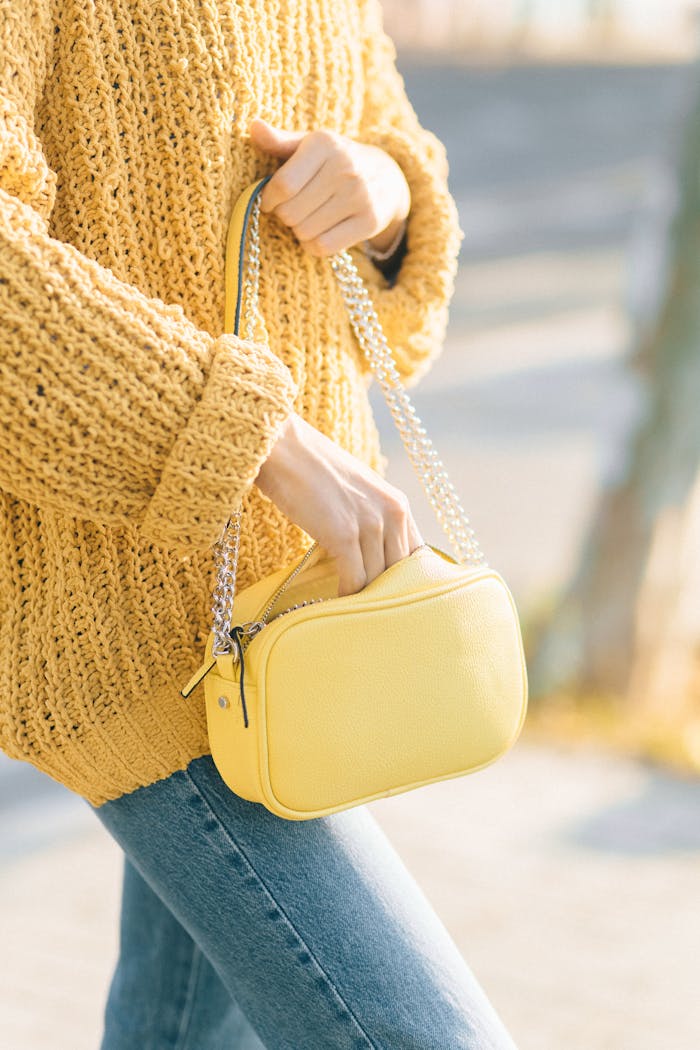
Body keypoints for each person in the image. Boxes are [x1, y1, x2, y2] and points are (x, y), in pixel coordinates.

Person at [0, 1, 519, 1046]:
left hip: (289, 624)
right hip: (135, 632)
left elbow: (378, 121)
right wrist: (258, 441)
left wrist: (383, 194)